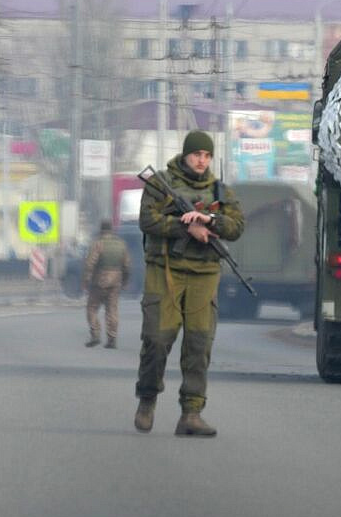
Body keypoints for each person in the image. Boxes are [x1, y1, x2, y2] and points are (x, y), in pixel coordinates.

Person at [134, 130, 244, 437]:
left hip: (204, 275)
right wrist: (186, 228)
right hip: (165, 270)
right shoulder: (160, 183)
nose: (201, 160)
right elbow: (147, 220)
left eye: (207, 155)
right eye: (197, 154)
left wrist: (210, 221)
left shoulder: (220, 190)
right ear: (185, 155)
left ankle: (191, 413)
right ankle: (147, 398)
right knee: (157, 339)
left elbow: (236, 226)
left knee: (199, 344)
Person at [83, 219, 129, 348]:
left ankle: (95, 334)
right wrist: (125, 281)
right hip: (116, 281)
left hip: (99, 281)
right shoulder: (121, 244)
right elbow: (127, 265)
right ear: (112, 230)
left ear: (101, 230)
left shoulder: (98, 244)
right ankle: (112, 338)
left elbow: (90, 264)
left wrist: (86, 280)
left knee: (92, 308)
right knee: (112, 310)